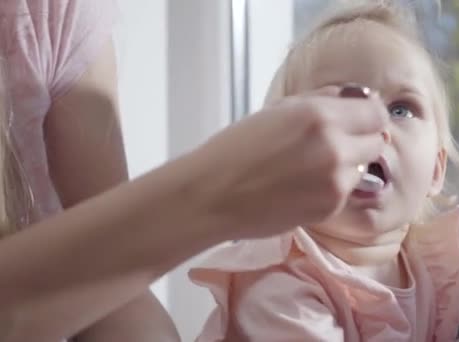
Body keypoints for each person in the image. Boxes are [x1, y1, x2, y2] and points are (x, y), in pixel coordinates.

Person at [188, 2, 459, 341]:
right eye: (341, 105)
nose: (374, 125)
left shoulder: (426, 260)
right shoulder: (279, 284)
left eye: (401, 108)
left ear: (435, 172)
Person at [0, 0, 388, 341]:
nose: (383, 129)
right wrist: (216, 192)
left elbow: (116, 303)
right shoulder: (281, 292)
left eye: (404, 108)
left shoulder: (55, 10)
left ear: (438, 167)